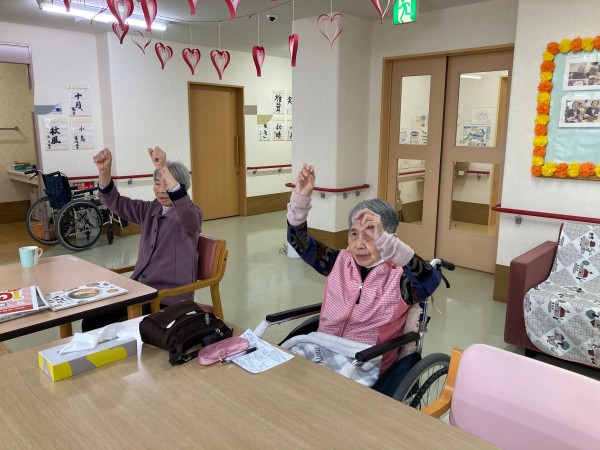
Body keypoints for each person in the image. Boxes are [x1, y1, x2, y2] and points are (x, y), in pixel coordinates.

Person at [281, 164, 441, 386]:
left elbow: (430, 280)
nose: (358, 245)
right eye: (354, 234)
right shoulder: (337, 261)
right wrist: (301, 198)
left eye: (371, 235)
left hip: (366, 359)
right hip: (323, 345)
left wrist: (389, 245)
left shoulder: (400, 279)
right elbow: (300, 242)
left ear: (389, 239)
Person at [81, 146, 203, 332]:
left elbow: (185, 209)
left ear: (182, 187)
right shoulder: (150, 209)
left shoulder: (191, 216)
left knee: (119, 327)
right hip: (141, 291)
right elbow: (116, 202)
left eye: (167, 184)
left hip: (167, 299)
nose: (161, 190)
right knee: (92, 320)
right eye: (157, 183)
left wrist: (163, 167)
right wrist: (104, 172)